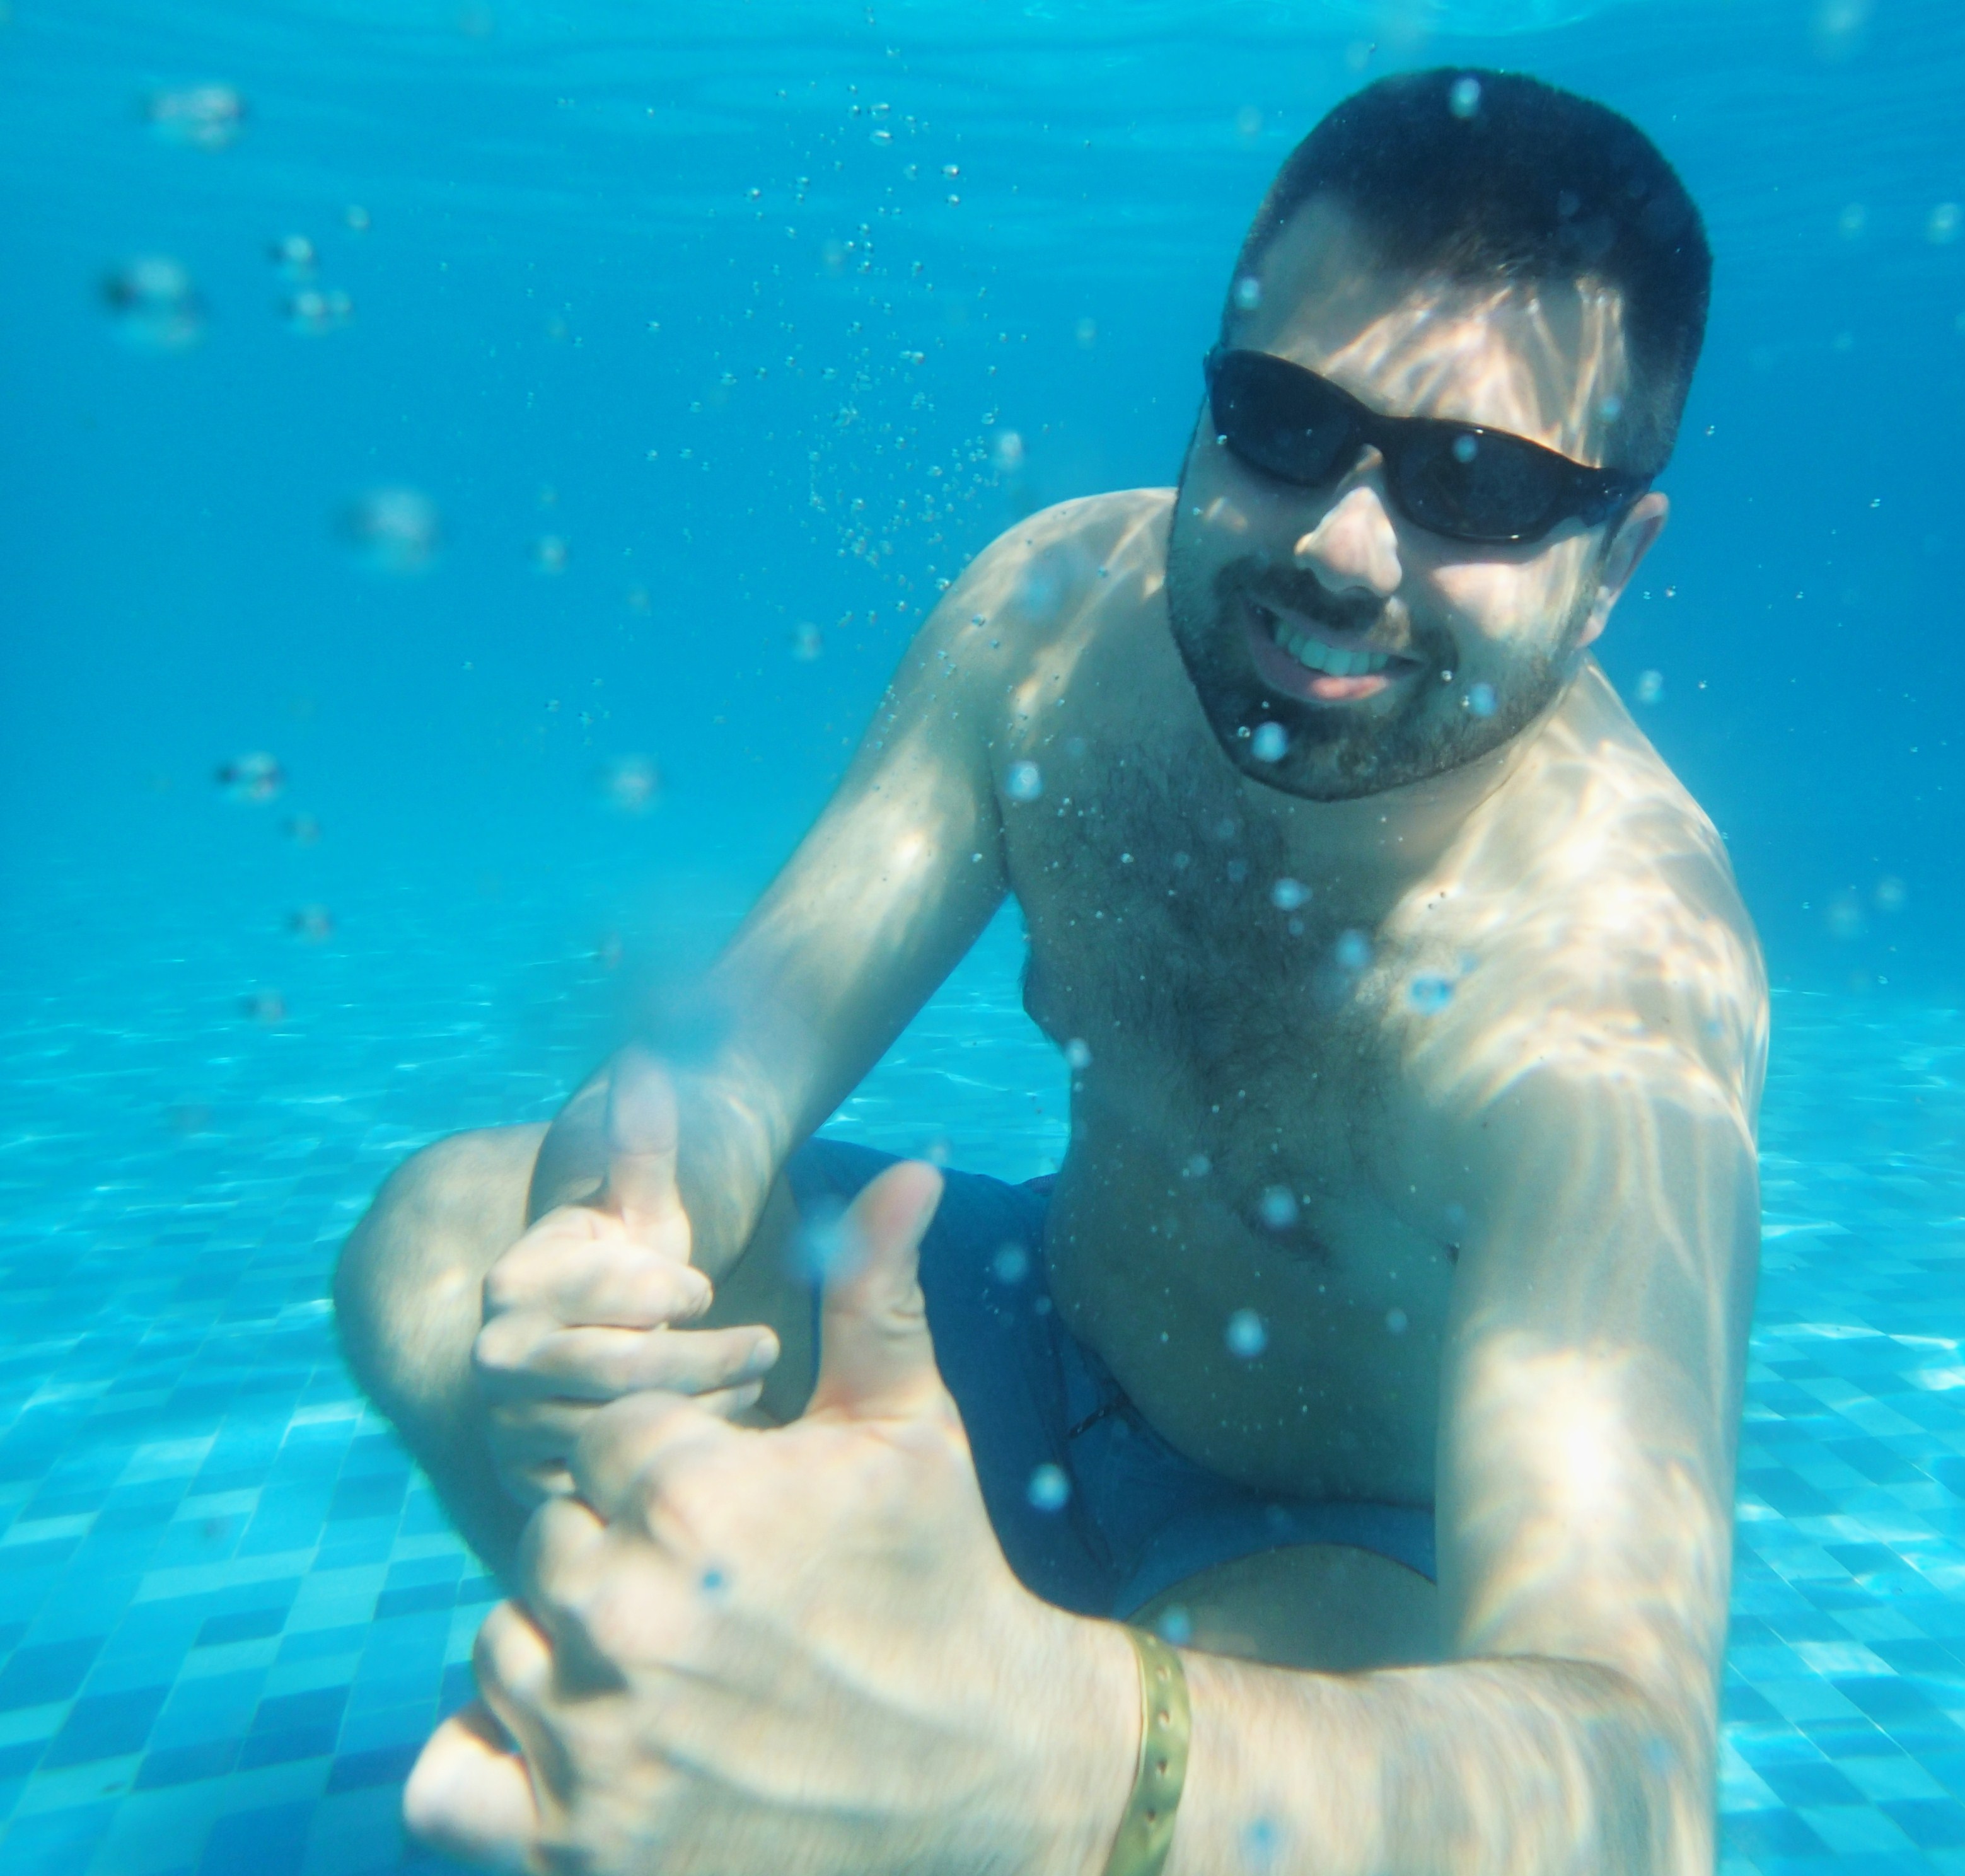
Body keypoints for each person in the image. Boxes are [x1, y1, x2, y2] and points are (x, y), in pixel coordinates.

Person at [335, 66, 1766, 1876]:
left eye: (1475, 488)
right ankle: (770, 1767)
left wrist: (1061, 1753)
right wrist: (618, 1247)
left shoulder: (1617, 980)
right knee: (441, 1251)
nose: (1340, 550)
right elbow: (742, 1048)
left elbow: (1634, 1794)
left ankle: (882, 1782)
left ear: (1614, 561)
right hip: (1018, 1345)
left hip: (1325, 1560)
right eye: (1283, 421)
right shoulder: (1051, 624)